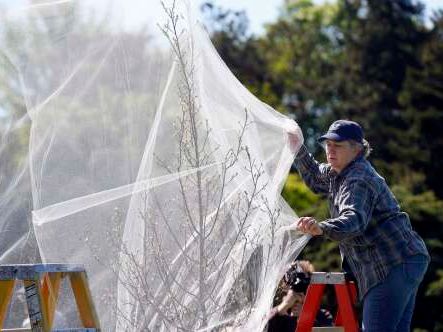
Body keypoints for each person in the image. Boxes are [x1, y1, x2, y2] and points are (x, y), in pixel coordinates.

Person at [289, 120, 430, 331]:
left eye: (338, 145)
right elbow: (315, 176)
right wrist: (297, 146)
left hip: (393, 264)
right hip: (404, 260)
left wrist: (322, 227)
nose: (330, 150)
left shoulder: (358, 179)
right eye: (328, 145)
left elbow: (353, 220)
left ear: (357, 149)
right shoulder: (339, 172)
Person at [267, 260, 333, 331]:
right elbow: (261, 328)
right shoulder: (273, 314)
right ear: (285, 288)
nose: (300, 292)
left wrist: (306, 317)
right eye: (296, 286)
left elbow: (327, 328)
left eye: (304, 287)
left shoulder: (321, 315)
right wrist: (284, 306)